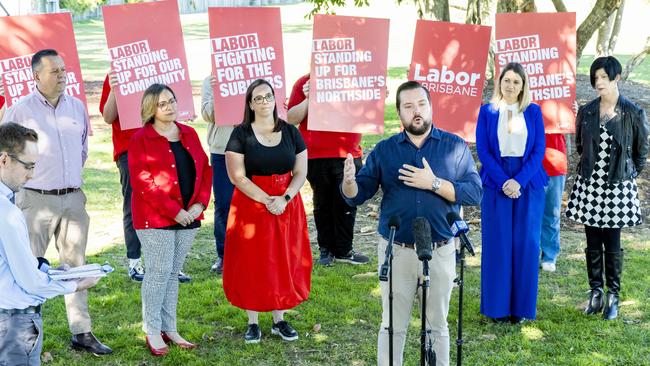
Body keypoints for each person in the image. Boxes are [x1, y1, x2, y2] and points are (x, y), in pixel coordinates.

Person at [342, 81, 482, 366]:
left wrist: (433, 183)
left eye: (421, 104)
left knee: (437, 326)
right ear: (399, 113)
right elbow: (358, 195)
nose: (416, 111)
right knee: (392, 326)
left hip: (441, 249)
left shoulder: (454, 147)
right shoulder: (385, 151)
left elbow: (474, 192)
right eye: (408, 106)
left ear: (430, 107)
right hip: (397, 251)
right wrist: (348, 184)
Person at [0, 49, 112, 355]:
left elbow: (83, 149)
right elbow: (6, 150)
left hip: (73, 199)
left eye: (64, 70)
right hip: (34, 200)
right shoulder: (20, 110)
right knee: (28, 266)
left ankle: (82, 332)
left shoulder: (76, 106)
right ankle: (26, 333)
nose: (63, 76)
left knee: (75, 266)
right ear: (37, 76)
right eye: (55, 71)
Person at [0, 122, 103, 366]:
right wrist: (75, 285)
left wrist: (50, 271)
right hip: (14, 324)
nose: (32, 174)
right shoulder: (8, 214)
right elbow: (30, 283)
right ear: (4, 160)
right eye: (28, 166)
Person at [223, 79, 312, 344]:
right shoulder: (240, 134)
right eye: (258, 98)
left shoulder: (291, 132)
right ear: (250, 104)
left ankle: (279, 318)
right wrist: (267, 200)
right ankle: (253, 322)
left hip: (286, 204)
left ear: (275, 99)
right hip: (252, 204)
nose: (264, 102)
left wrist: (284, 198)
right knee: (254, 261)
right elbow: (237, 177)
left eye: (268, 96)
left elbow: (300, 171)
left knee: (283, 259)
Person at [128, 83, 212, 355]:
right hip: (156, 219)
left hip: (189, 216)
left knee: (173, 273)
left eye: (172, 101)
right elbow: (143, 182)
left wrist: (199, 204)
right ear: (151, 108)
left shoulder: (188, 133)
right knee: (158, 272)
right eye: (163, 103)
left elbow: (204, 169)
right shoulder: (140, 139)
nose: (170, 106)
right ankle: (152, 330)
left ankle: (170, 327)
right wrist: (175, 211)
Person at [566, 56, 649, 320]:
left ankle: (613, 295)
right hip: (591, 183)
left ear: (617, 78)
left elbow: (641, 152)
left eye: (604, 77)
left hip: (617, 186)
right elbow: (581, 146)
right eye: (596, 78)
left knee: (612, 241)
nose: (599, 82)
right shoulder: (587, 111)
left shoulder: (633, 112)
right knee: (592, 240)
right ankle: (595, 293)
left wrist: (627, 174)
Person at [100, 71, 191, 283]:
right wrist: (115, 89)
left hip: (164, 143)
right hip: (129, 148)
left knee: (172, 199)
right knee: (135, 205)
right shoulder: (115, 72)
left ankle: (173, 264)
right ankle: (135, 261)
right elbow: (107, 116)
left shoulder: (160, 62)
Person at [476, 62, 548, 324]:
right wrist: (504, 180)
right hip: (496, 182)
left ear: (523, 85)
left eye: (516, 82)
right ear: (500, 82)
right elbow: (483, 150)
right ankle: (497, 308)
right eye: (507, 80)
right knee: (498, 244)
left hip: (528, 181)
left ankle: (520, 308)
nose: (511, 86)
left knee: (526, 244)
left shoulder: (533, 112)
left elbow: (539, 150)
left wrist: (518, 180)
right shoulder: (487, 112)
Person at [287, 74, 369, 265]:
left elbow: (367, 112)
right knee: (322, 203)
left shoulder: (356, 78)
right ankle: (326, 251)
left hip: (348, 153)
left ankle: (344, 250)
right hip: (316, 155)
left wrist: (374, 98)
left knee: (346, 201)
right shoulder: (304, 82)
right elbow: (291, 118)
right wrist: (309, 98)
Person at [200, 75, 235, 274]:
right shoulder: (210, 80)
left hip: (251, 148)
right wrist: (219, 93)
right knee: (223, 203)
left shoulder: (255, 73)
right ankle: (224, 255)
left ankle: (253, 251)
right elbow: (207, 114)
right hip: (222, 150)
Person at [540, 133, 568, 272]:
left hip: (555, 160)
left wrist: (573, 113)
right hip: (529, 162)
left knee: (552, 212)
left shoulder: (562, 110)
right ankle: (529, 253)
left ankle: (549, 256)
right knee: (529, 214)